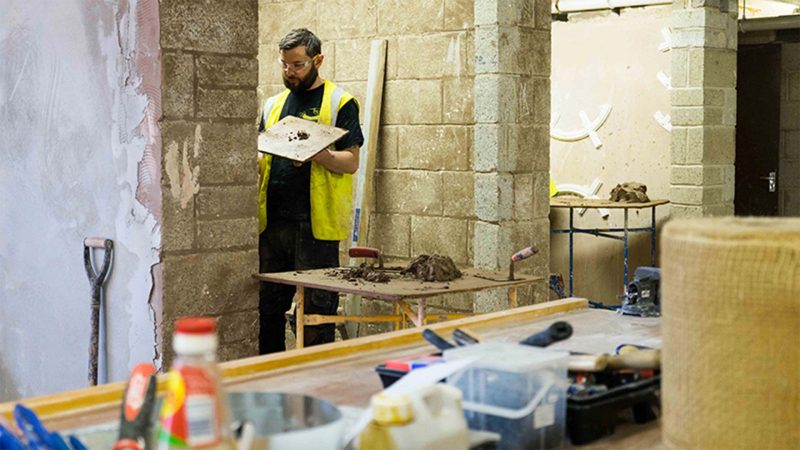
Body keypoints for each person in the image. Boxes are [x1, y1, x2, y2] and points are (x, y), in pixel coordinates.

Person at [257, 28, 364, 354]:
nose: (290, 72)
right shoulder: (274, 105)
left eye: (298, 65)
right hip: (271, 225)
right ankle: (268, 377)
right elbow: (262, 153)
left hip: (315, 228)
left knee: (316, 314)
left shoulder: (340, 102)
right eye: (285, 65)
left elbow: (351, 162)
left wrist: (323, 156)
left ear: (318, 60)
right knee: (266, 312)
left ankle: (314, 378)